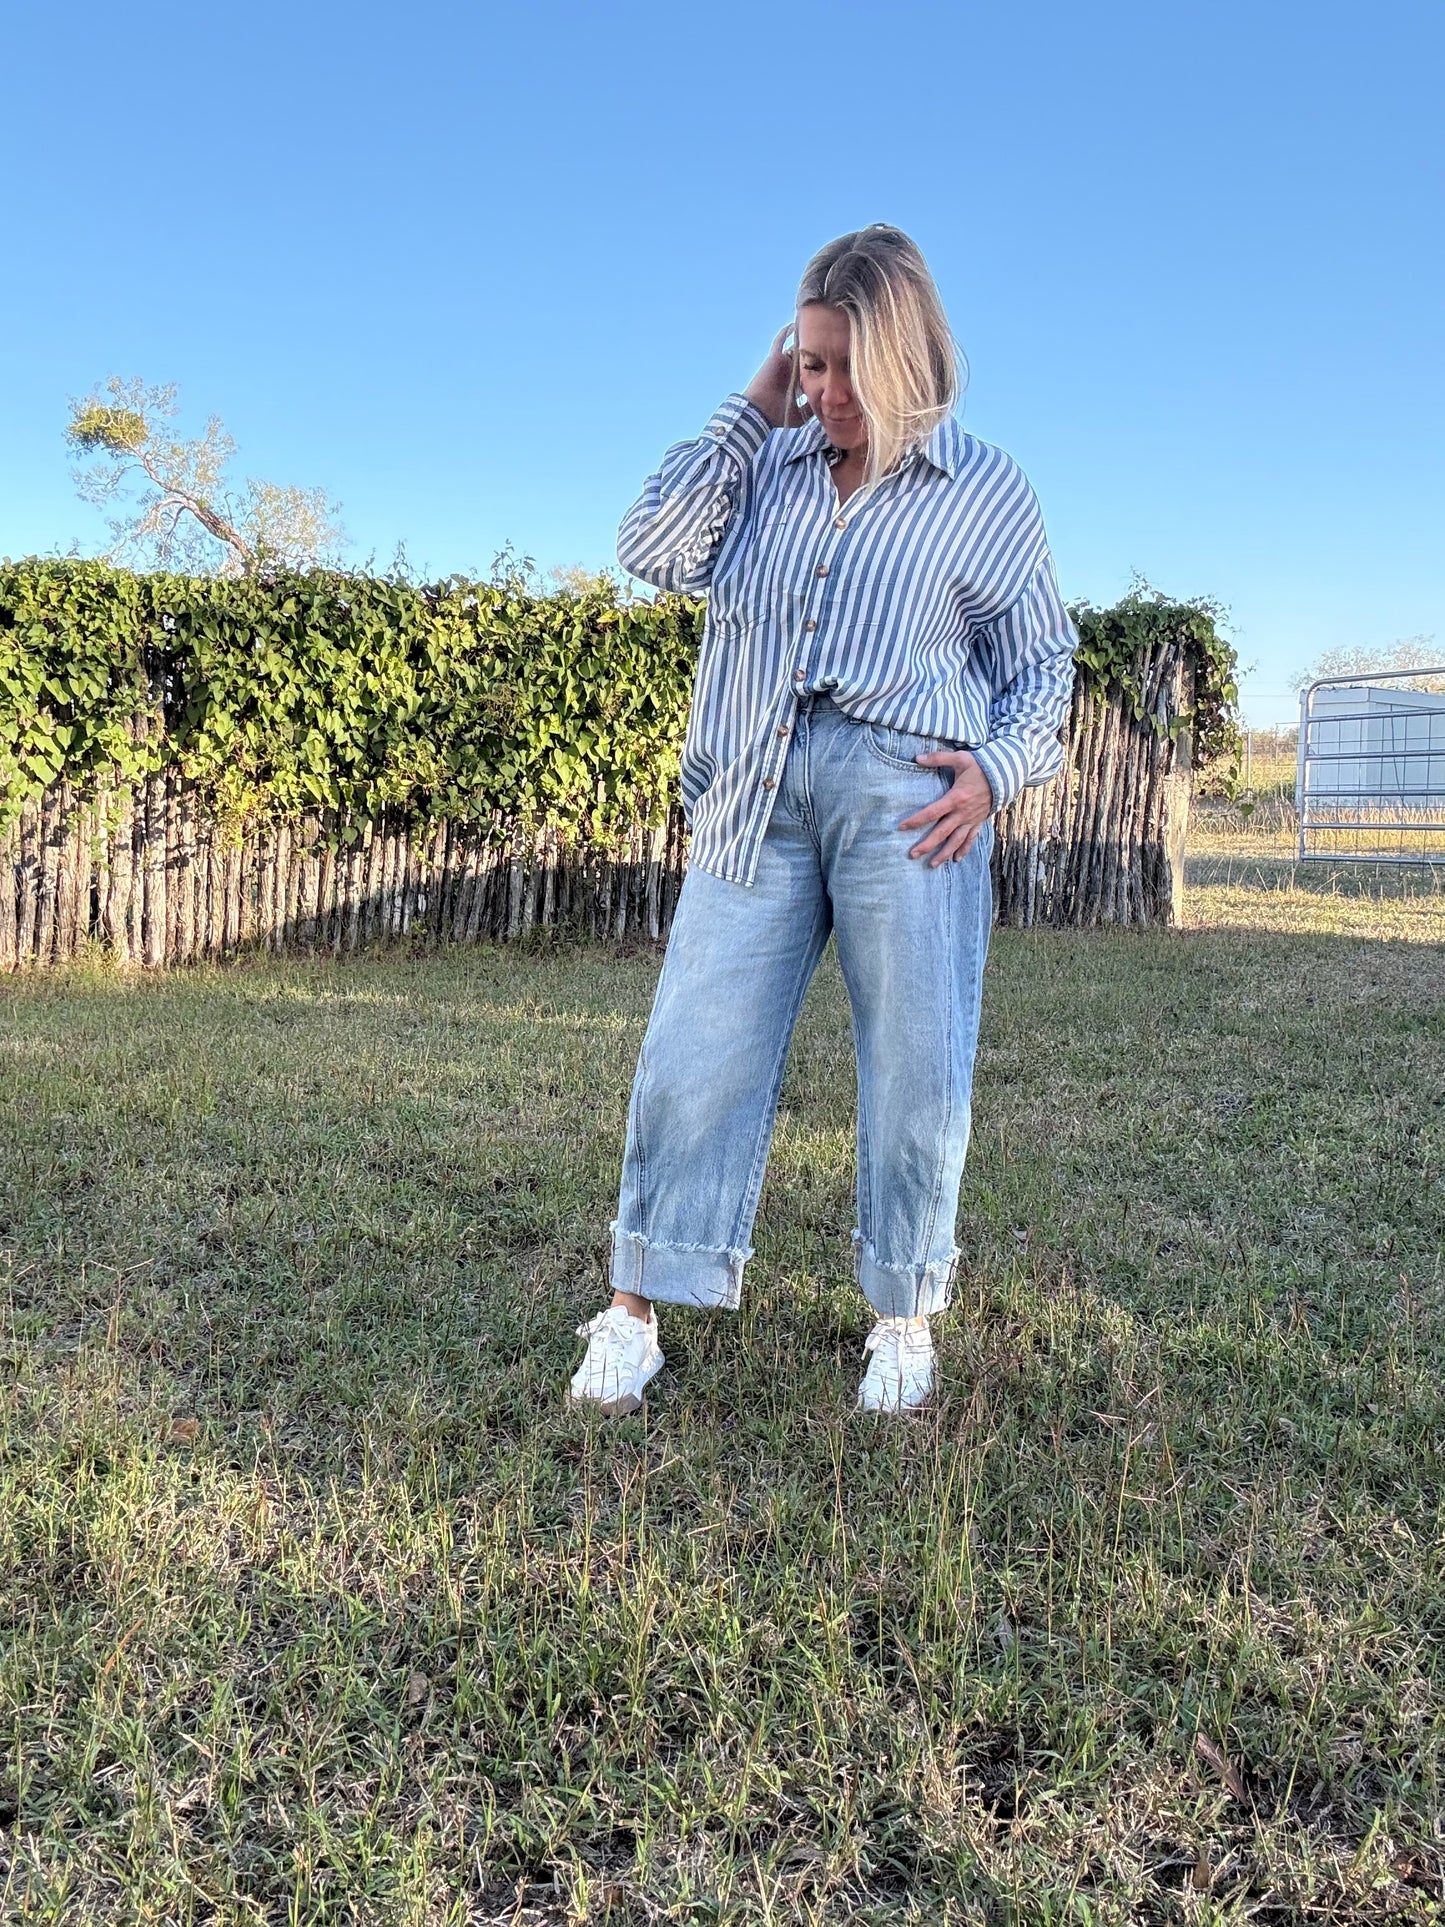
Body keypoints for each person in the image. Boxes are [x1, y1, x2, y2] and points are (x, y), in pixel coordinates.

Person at [568, 223, 1077, 1416]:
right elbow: (648, 547)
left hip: (908, 795)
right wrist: (757, 403)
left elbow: (1042, 667)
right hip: (754, 784)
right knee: (693, 1043)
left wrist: (993, 772)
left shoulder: (984, 490)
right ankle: (636, 1305)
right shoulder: (766, 466)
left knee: (914, 1057)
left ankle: (901, 1314)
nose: (828, 392)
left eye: (849, 366)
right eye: (809, 362)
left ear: (909, 358)